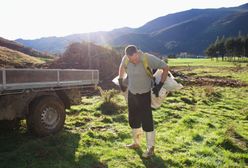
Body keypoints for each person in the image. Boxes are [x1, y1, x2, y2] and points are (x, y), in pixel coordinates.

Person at [118, 45, 169, 158]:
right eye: (131, 60)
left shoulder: (147, 58)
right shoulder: (126, 59)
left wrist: (160, 85)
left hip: (145, 94)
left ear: (137, 53)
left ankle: (150, 148)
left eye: (135, 58)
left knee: (147, 121)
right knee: (133, 119)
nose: (133, 61)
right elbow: (121, 67)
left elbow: (165, 67)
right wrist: (120, 80)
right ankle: (136, 143)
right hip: (132, 94)